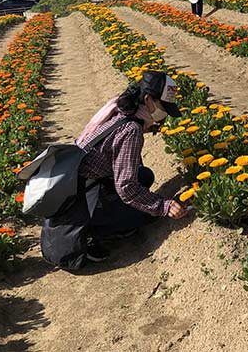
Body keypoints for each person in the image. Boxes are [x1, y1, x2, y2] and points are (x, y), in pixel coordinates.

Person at [76, 70, 188, 262]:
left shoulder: (119, 109)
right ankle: (93, 230)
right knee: (149, 215)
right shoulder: (131, 130)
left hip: (82, 187)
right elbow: (126, 187)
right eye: (164, 107)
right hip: (83, 205)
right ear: (149, 100)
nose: (165, 115)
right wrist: (163, 206)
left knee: (144, 176)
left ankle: (106, 215)